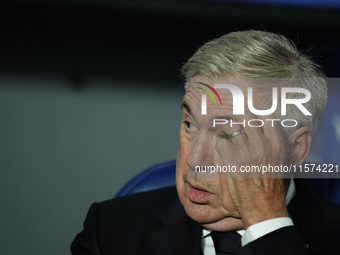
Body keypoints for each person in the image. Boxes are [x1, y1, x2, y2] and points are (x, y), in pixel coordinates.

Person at [70, 30, 340, 255]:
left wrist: (267, 223)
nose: (195, 159)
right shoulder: (109, 230)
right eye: (190, 124)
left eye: (228, 135)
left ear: (295, 149)